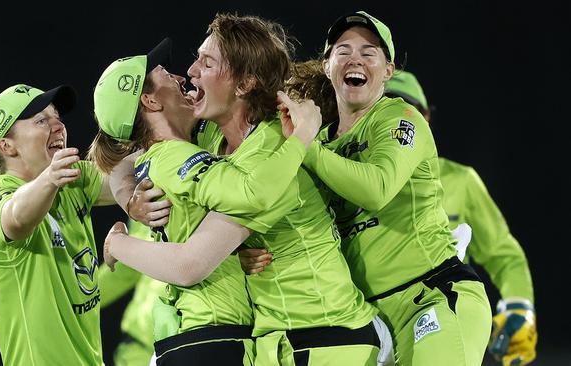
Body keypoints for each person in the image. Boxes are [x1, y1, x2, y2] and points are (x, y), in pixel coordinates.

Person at [110, 14, 393, 366]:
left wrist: (117, 243)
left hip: (329, 335)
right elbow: (122, 155)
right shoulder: (211, 138)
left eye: (207, 61)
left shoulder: (278, 147)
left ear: (244, 84)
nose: (191, 71)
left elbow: (194, 261)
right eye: (198, 57)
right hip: (278, 342)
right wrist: (130, 199)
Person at [241, 10, 493, 366]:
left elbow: (376, 189)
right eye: (342, 51)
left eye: (368, 52)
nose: (354, 59)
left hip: (430, 296)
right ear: (327, 66)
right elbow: (295, 223)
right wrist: (248, 253)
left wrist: (304, 145)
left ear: (388, 71)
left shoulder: (400, 118)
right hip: (365, 321)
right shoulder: (320, 145)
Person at [90, 35, 324, 365]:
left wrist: (128, 198)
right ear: (151, 102)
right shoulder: (175, 157)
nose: (182, 76)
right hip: (209, 335)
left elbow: (121, 164)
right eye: (166, 77)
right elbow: (250, 195)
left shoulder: (179, 148)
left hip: (203, 335)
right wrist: (302, 136)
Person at [384, 70, 537, 366]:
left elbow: (503, 253)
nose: (399, 120)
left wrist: (520, 306)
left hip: (435, 321)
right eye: (386, 107)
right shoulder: (350, 178)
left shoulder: (460, 181)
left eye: (409, 110)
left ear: (426, 116)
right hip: (371, 327)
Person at [0, 83, 120, 365]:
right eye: (41, 120)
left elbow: (133, 178)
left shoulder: (71, 181)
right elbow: (14, 218)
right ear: (7, 145)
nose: (58, 125)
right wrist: (49, 179)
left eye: (57, 116)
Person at [98, 219, 164, 366]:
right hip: (141, 342)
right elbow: (127, 269)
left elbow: (125, 271)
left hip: (178, 338)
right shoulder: (143, 202)